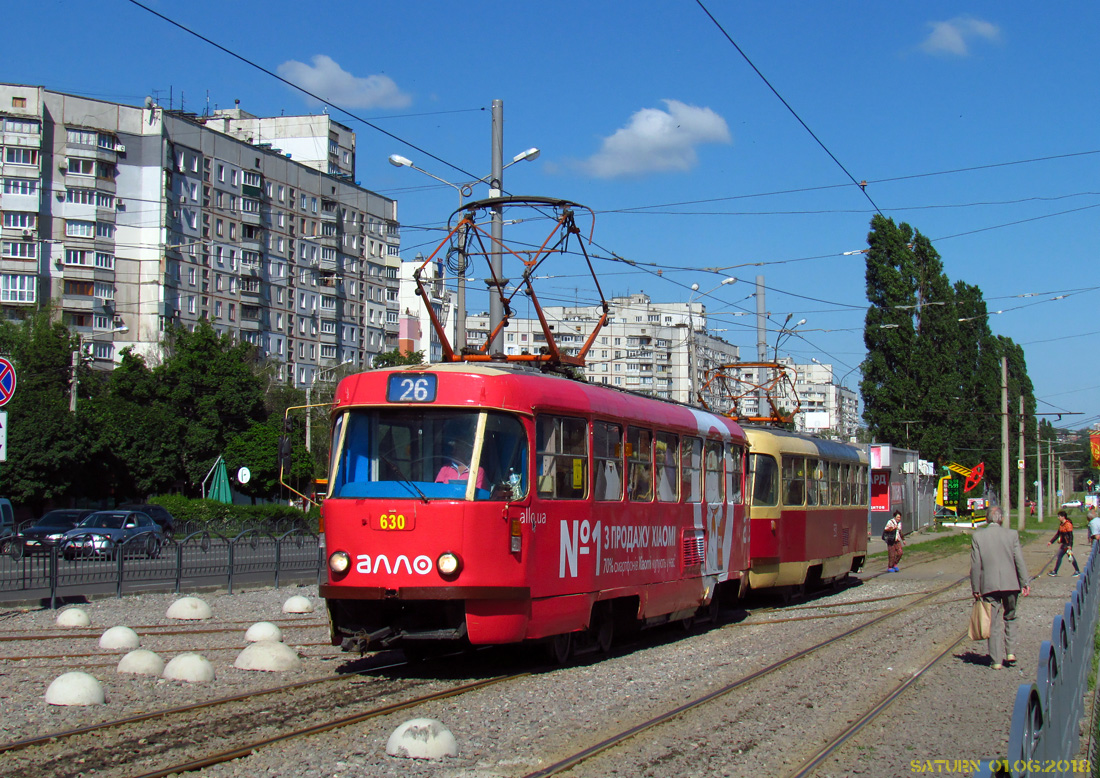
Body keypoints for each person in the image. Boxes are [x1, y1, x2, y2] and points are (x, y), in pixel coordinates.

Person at [970, 505, 1031, 670]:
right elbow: (1018, 559)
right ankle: (1010, 652)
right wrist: (1025, 582)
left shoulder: (978, 537)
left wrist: (975, 587)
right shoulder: (1012, 534)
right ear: (1001, 518)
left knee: (993, 622)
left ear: (987, 518)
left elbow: (976, 565)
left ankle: (996, 660)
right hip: (1011, 584)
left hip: (989, 585)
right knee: (1010, 616)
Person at [1046, 510, 1080, 576]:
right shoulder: (1061, 524)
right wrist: (1051, 541)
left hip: (1067, 544)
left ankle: (1055, 571)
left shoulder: (1068, 524)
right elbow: (1058, 534)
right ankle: (1077, 570)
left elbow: (1070, 536)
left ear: (1063, 517)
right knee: (1067, 556)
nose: (1058, 518)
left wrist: (1070, 545)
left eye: (1059, 516)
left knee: (1064, 556)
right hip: (1064, 544)